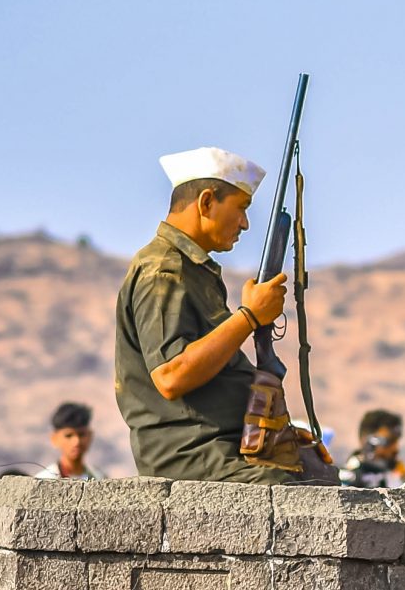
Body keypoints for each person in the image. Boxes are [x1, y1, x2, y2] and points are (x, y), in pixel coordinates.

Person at [113, 146, 306, 484]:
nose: (245, 223)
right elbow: (171, 377)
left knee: (317, 475)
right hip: (194, 456)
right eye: (241, 208)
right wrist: (248, 317)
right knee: (296, 498)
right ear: (205, 203)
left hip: (223, 448)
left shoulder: (193, 269)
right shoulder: (164, 270)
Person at [340, 410, 405, 489]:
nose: (395, 449)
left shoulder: (396, 479)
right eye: (389, 441)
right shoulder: (345, 479)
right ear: (368, 441)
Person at [38, 402, 98, 480]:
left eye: (81, 434)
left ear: (90, 436)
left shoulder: (99, 477)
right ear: (54, 439)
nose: (76, 442)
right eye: (68, 435)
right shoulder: (44, 480)